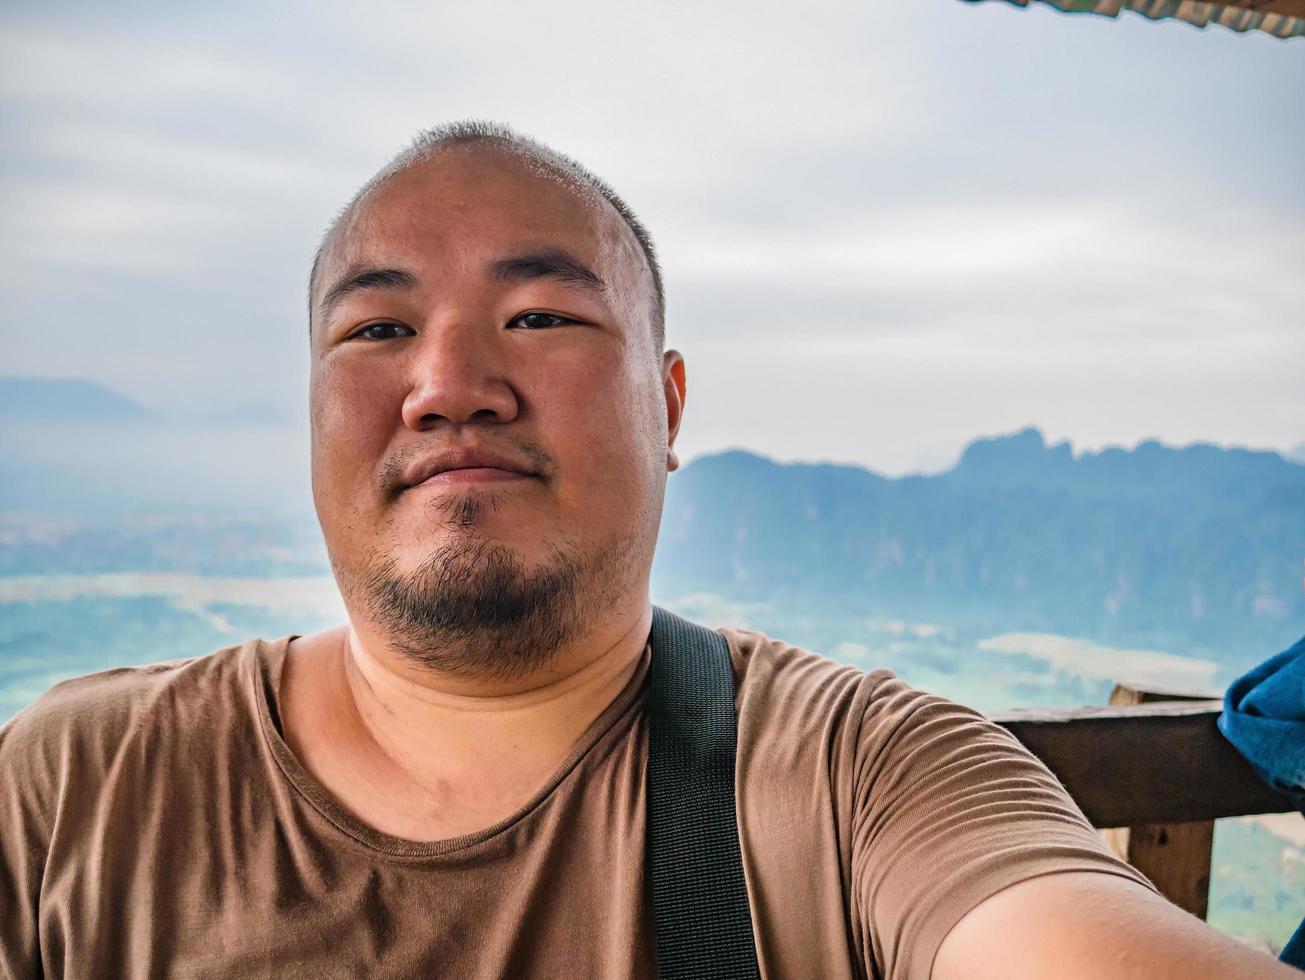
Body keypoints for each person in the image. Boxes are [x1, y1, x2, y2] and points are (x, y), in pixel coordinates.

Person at [0, 121, 1293, 980]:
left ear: (667, 406)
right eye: (375, 331)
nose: (449, 382)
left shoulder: (860, 786)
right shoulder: (77, 791)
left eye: (541, 313)